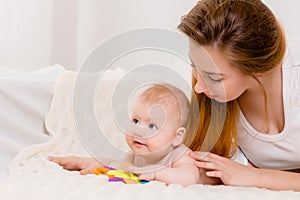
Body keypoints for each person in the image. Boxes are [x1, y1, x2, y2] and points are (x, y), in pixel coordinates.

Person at [178, 0, 300, 191]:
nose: (198, 88)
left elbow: (244, 174)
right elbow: (211, 169)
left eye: (215, 78)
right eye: (194, 66)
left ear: (257, 70)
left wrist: (256, 176)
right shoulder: (218, 100)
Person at [49, 84, 203, 186]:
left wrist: (156, 173)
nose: (138, 131)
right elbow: (120, 167)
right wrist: (84, 162)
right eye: (136, 121)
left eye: (151, 126)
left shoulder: (181, 156)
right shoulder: (138, 152)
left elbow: (190, 178)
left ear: (177, 137)